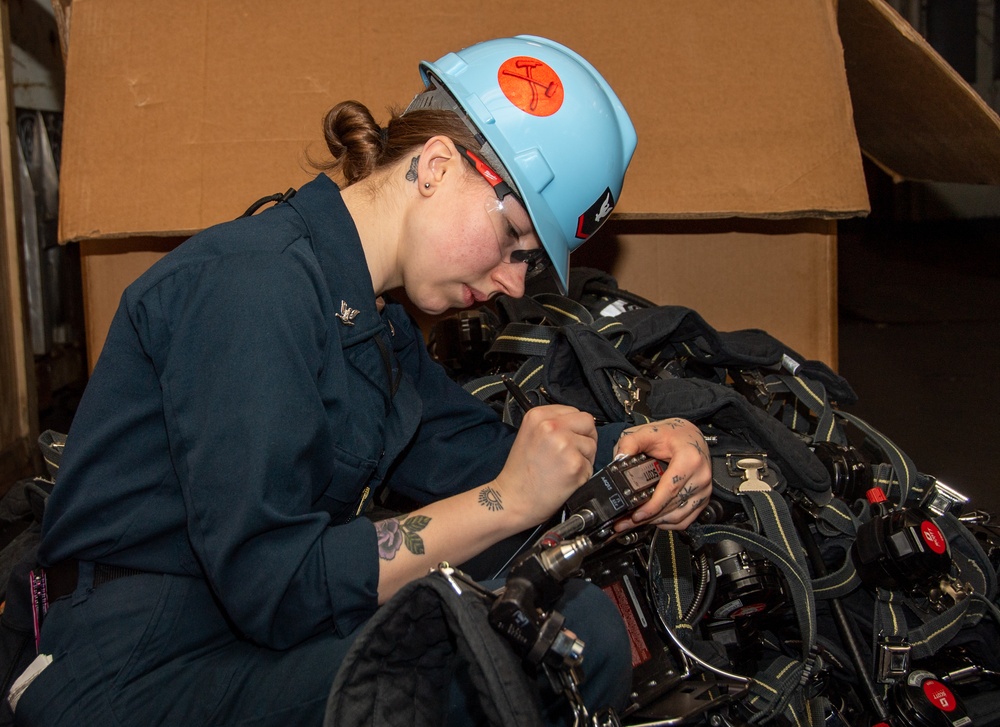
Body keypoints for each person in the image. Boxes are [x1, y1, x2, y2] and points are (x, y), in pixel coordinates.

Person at [14, 35, 713, 725]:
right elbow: (278, 583)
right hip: (136, 668)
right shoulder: (253, 289)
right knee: (526, 657)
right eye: (514, 243)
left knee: (575, 621)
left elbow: (476, 452)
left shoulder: (375, 326)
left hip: (237, 637)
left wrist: (646, 448)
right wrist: (505, 502)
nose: (509, 282)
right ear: (438, 166)